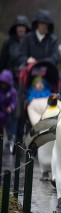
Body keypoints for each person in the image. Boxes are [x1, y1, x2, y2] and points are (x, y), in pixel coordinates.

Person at [0, 15, 30, 146]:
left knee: (24, 107)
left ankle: (22, 134)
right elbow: (3, 61)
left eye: (23, 26)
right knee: (11, 107)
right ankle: (11, 135)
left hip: (26, 79)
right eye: (19, 26)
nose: (21, 29)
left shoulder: (30, 41)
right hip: (11, 79)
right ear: (15, 28)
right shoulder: (9, 42)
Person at [0, 70, 17, 138]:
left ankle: (10, 136)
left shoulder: (12, 91)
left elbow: (14, 101)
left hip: (8, 113)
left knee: (10, 121)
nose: (3, 85)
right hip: (1, 111)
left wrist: (11, 107)